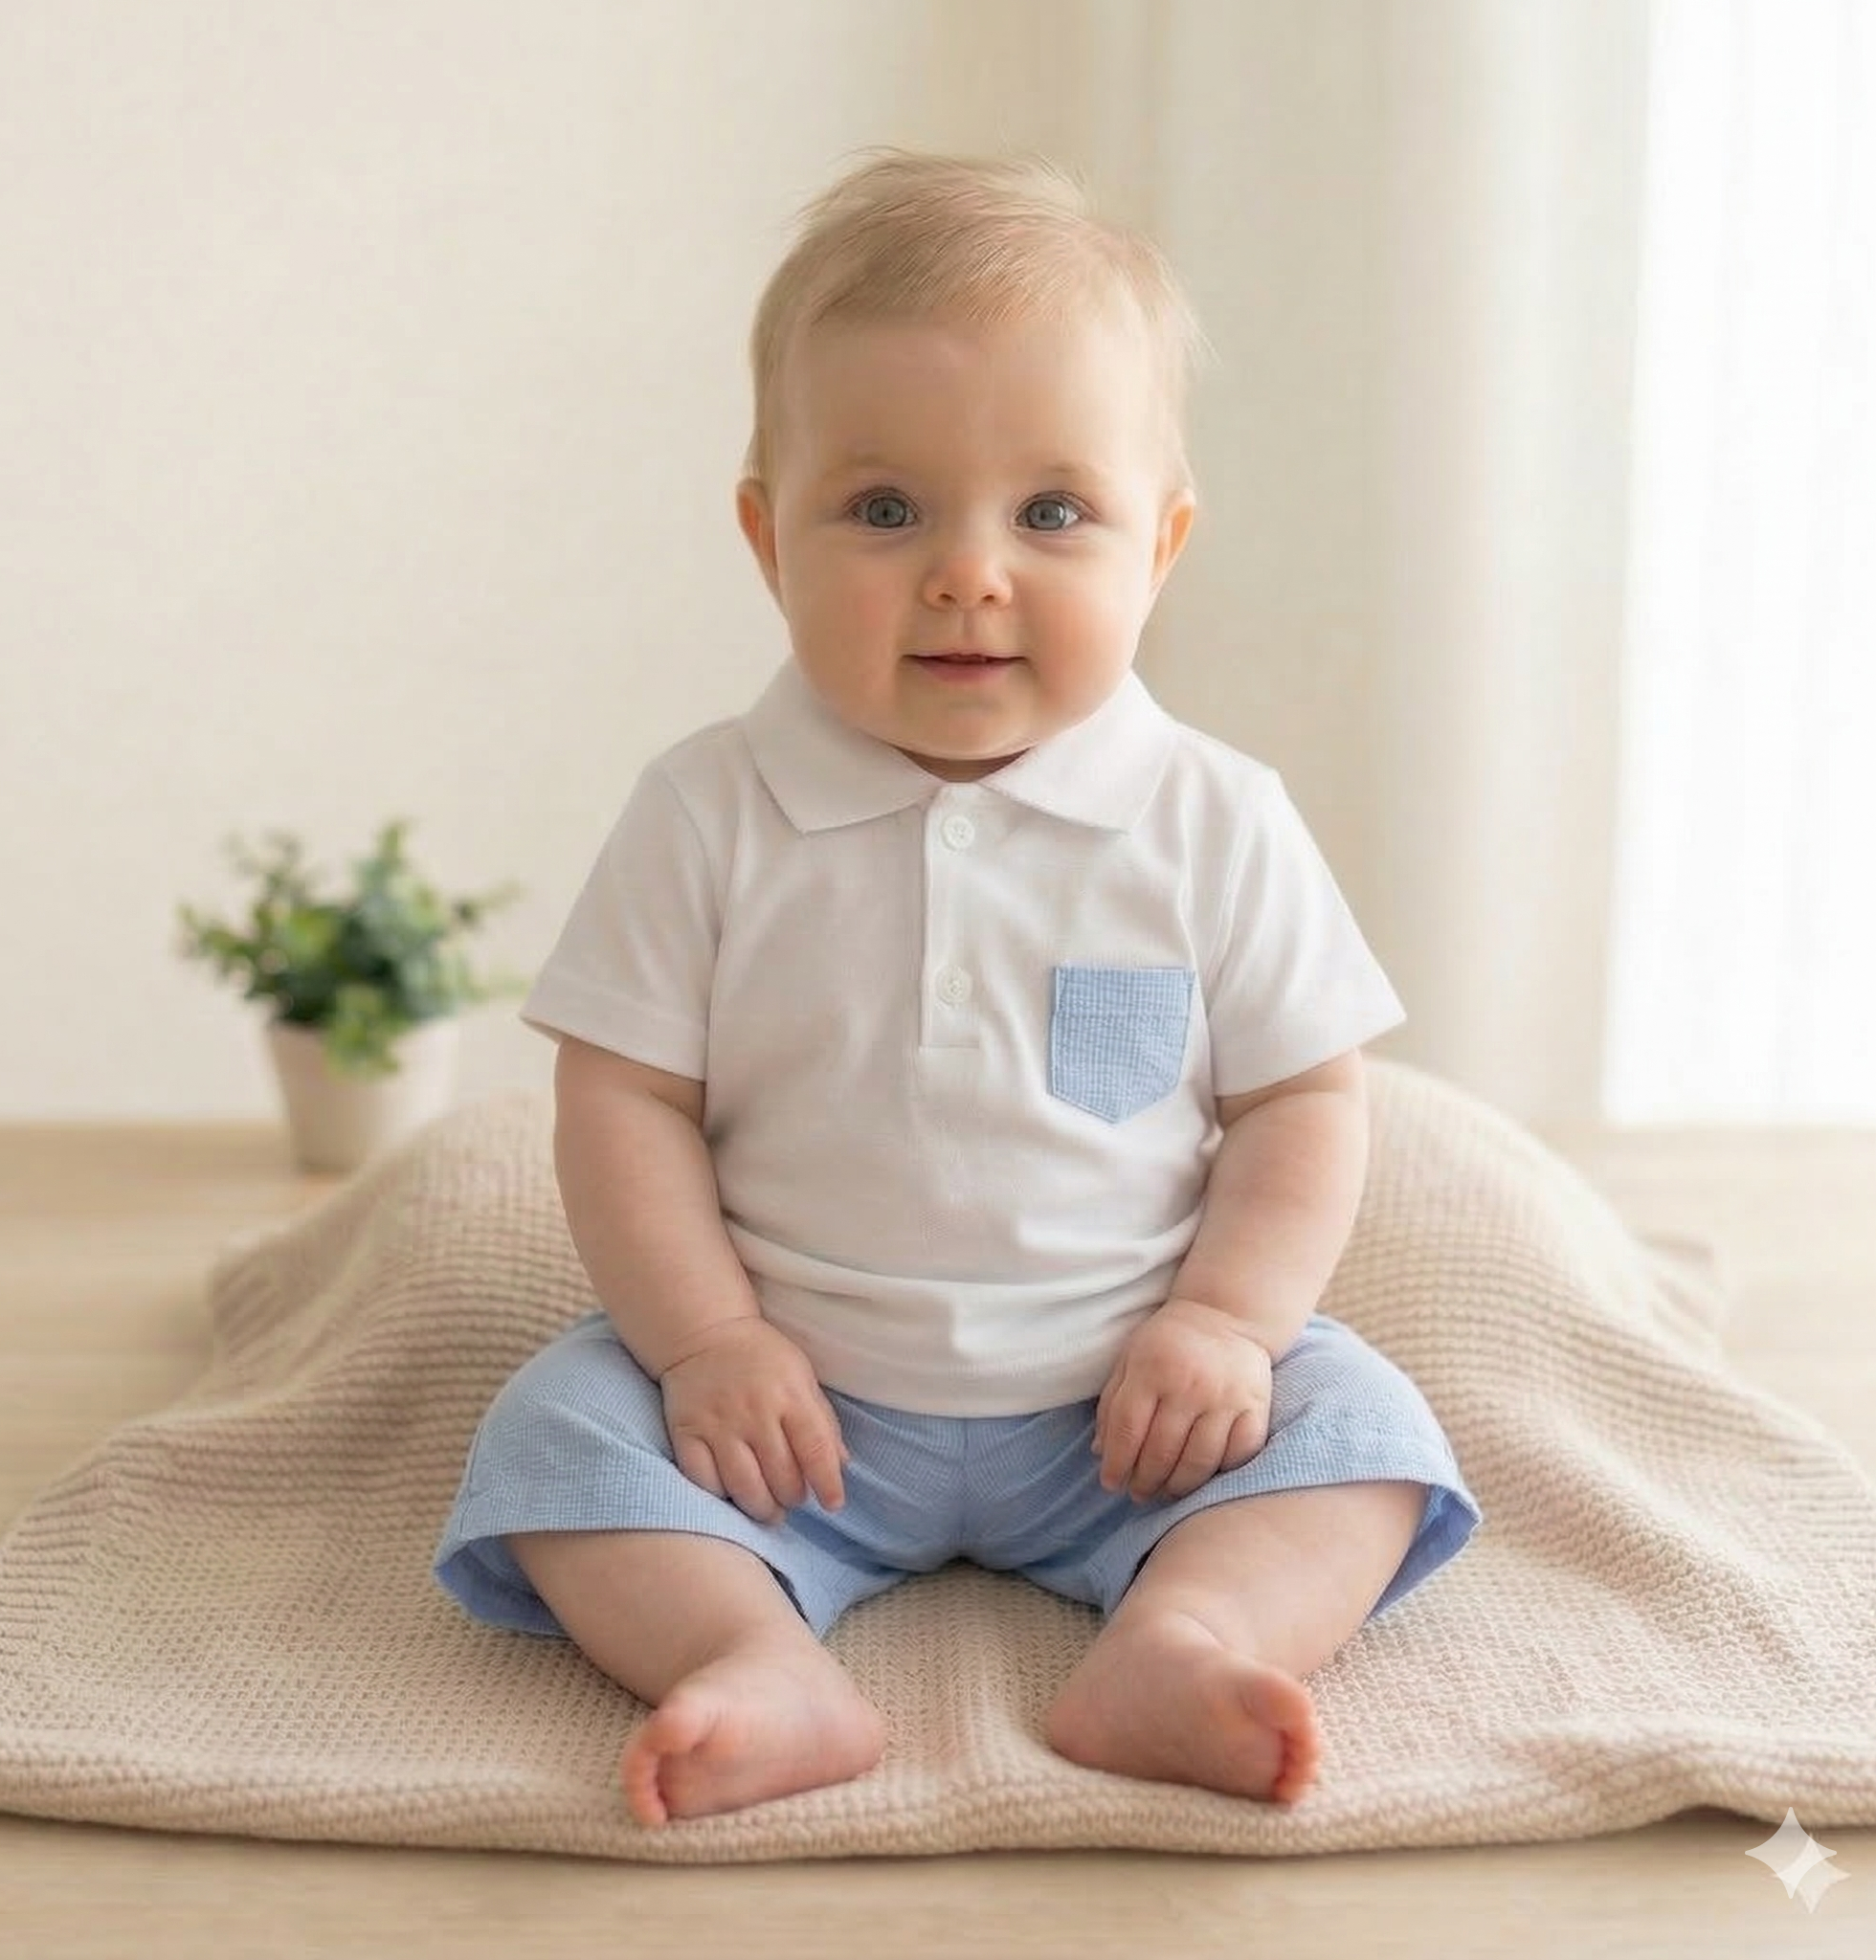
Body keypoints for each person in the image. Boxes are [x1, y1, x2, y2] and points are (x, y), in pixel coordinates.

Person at [436, 150, 1478, 1828]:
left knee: (1363, 1430)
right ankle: (753, 1654)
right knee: (555, 1439)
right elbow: (625, 1098)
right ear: (767, 534)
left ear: (1165, 543)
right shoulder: (709, 809)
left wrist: (1225, 1324)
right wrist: (704, 1343)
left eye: (1053, 512)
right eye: (885, 509)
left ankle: (1188, 1628)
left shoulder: (1213, 818)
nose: (969, 573)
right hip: (794, 1416)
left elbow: (1303, 1100)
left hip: (1131, 1408)